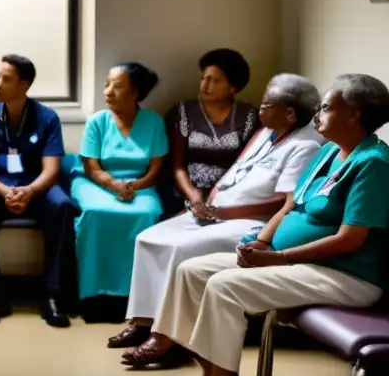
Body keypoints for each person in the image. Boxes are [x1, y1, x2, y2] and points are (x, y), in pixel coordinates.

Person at [149, 74, 389, 376]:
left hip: (345, 274)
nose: (318, 113)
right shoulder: (327, 153)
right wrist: (261, 241)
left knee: (224, 286)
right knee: (192, 271)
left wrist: (278, 258)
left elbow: (350, 239)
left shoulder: (373, 163)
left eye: (326, 106)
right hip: (294, 260)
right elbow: (292, 205)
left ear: (354, 114)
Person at [109, 74, 324, 358]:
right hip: (216, 213)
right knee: (148, 239)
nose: (260, 110)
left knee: (178, 249)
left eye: (266, 105)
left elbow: (281, 204)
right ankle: (143, 321)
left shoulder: (305, 145)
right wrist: (206, 201)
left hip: (249, 223)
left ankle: (170, 336)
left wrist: (224, 211)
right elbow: (236, 169)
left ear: (289, 113)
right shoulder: (265, 132)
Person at [0, 55, 75, 328]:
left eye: (6, 78)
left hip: (37, 186)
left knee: (62, 205)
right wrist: (5, 191)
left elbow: (51, 170)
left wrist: (29, 191)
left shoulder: (47, 118)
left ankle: (52, 294)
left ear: (24, 85)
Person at [70, 63, 167, 307]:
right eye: (107, 84)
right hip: (96, 182)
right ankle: (93, 294)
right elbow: (91, 166)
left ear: (135, 92)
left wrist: (135, 185)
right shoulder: (97, 121)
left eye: (118, 86)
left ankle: (135, 296)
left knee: (147, 213)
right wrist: (114, 185)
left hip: (139, 184)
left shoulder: (153, 122)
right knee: (94, 213)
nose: (108, 91)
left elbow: (156, 167)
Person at [163, 49, 259, 216]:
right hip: (188, 192)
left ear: (232, 87)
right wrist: (193, 195)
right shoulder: (183, 112)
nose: (205, 85)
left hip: (230, 193)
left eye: (215, 81)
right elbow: (177, 166)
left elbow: (249, 163)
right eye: (204, 78)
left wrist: (225, 195)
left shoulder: (248, 115)